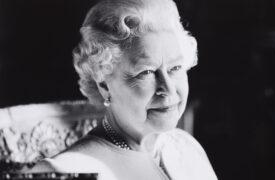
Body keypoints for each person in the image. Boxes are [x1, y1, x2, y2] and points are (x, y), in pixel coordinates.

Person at [29, 0, 217, 179]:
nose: (168, 89)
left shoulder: (185, 147)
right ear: (103, 84)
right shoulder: (68, 170)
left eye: (175, 68)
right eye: (147, 72)